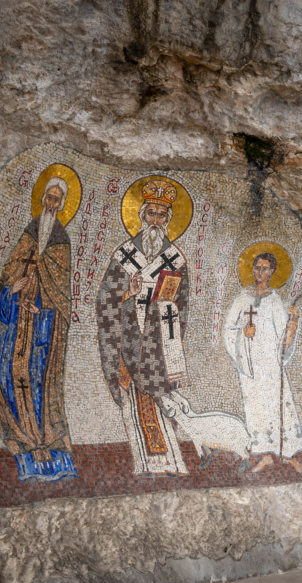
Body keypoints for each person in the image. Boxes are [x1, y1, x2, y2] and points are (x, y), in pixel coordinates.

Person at [0, 176, 77, 481]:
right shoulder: (28, 234)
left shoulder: (61, 242)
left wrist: (44, 310)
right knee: (12, 379)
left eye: (56, 200)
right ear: (41, 200)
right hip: (15, 335)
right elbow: (6, 279)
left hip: (41, 336)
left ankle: (51, 448)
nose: (51, 204)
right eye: (48, 198)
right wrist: (12, 288)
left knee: (41, 386)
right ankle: (24, 445)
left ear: (62, 206)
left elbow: (62, 297)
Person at [96, 179, 189, 475]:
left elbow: (182, 305)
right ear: (141, 216)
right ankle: (144, 464)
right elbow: (104, 301)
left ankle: (170, 463)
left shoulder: (175, 259)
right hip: (127, 342)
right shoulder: (123, 256)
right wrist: (128, 293)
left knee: (161, 402)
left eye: (162, 216)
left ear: (168, 221)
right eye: (151, 214)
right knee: (133, 401)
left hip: (158, 344)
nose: (156, 221)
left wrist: (165, 308)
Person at [224, 252, 302, 473]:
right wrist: (243, 333)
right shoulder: (242, 298)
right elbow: (229, 329)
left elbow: (283, 337)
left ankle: (288, 454)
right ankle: (265, 454)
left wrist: (294, 321)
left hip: (270, 363)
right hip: (250, 364)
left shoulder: (275, 299)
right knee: (256, 406)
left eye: (265, 268)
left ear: (272, 272)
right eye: (257, 267)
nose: (260, 272)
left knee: (279, 403)